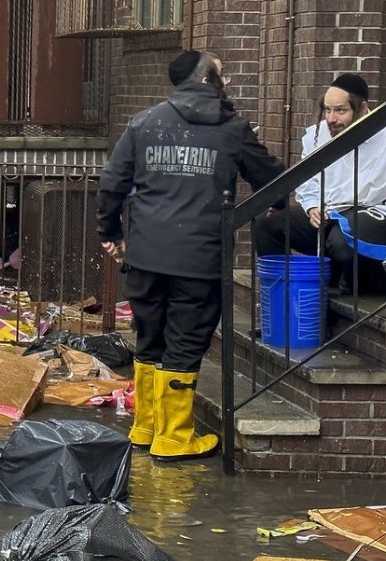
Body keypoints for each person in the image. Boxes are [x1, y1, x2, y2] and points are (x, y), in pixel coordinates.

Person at [96, 50, 285, 462]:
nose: (228, 82)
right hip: (200, 258)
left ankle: (145, 428)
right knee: (185, 342)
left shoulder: (143, 123)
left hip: (145, 255)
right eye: (222, 74)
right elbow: (273, 178)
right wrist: (279, 207)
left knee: (149, 339)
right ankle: (175, 437)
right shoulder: (233, 128)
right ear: (207, 78)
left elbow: (111, 183)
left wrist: (110, 233)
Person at [253, 73, 386, 293]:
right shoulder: (319, 134)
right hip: (323, 213)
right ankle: (282, 295)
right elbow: (307, 180)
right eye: (327, 109)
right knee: (267, 226)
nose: (331, 118)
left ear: (363, 108)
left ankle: (347, 280)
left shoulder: (384, 137)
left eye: (340, 110)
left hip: (366, 216)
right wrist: (313, 206)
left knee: (342, 244)